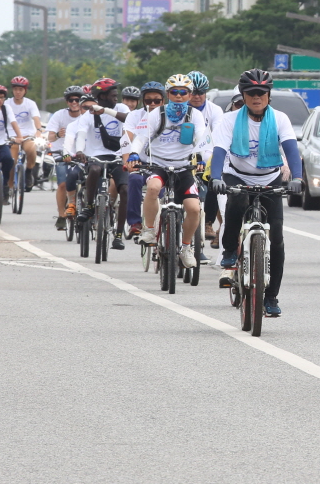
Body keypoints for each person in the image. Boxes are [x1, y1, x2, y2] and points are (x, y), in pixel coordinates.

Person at [210, 69, 302, 318]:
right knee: (236, 201)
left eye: (261, 92)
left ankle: (271, 296)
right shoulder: (229, 121)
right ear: (243, 95)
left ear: (269, 95)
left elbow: (292, 151)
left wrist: (298, 178)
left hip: (269, 177)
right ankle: (230, 252)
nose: (257, 97)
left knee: (278, 237)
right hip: (237, 175)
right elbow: (219, 152)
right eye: (251, 93)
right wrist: (217, 177)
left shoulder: (280, 119)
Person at [126, 74, 208, 270]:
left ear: (189, 95)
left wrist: (200, 158)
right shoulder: (156, 114)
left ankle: (186, 247)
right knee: (153, 188)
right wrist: (134, 154)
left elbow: (202, 139)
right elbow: (140, 138)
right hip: (159, 165)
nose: (179, 96)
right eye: (174, 92)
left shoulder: (195, 115)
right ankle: (150, 230)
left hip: (184, 167)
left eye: (183, 92)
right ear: (168, 94)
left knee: (194, 209)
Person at [64, 77, 130, 250]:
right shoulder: (88, 115)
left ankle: (118, 235)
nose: (117, 96)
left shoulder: (121, 108)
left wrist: (105, 111)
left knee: (125, 188)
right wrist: (79, 151)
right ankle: (91, 206)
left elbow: (129, 120)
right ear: (102, 95)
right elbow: (81, 134)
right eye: (113, 94)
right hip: (96, 157)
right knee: (93, 169)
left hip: (117, 157)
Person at [120, 81, 167, 239]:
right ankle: (135, 223)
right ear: (142, 101)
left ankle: (165, 219)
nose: (153, 104)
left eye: (157, 101)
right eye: (148, 101)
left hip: (164, 163)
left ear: (163, 101)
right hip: (141, 162)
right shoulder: (134, 116)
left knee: (166, 189)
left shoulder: (169, 115)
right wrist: (128, 161)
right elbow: (127, 139)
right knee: (133, 179)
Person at [188, 71, 224, 251]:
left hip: (207, 153)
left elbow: (217, 137)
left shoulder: (215, 110)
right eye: (193, 92)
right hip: (185, 153)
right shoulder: (180, 109)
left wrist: (206, 158)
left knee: (214, 180)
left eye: (201, 92)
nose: (196, 97)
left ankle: (208, 222)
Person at [47, 85, 89, 228]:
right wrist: (58, 134)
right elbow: (50, 137)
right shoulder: (59, 115)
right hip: (63, 154)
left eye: (77, 100)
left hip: (80, 154)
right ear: (67, 102)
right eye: (71, 100)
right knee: (63, 184)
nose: (74, 103)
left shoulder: (86, 116)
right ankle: (61, 215)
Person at [4, 76, 43, 191]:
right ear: (12, 90)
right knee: (12, 161)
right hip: (12, 136)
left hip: (27, 135)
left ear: (25, 90)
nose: (18, 92)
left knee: (31, 149)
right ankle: (9, 187)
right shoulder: (7, 104)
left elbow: (36, 118)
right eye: (15, 89)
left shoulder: (30, 104)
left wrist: (38, 131)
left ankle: (29, 171)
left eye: (20, 90)